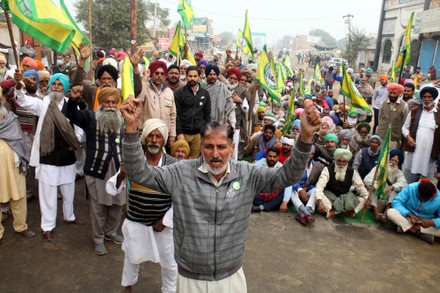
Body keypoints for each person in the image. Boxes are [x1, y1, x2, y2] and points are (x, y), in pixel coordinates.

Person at [120, 96, 320, 292]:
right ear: (201, 147)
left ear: (232, 147)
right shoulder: (181, 173)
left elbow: (289, 175)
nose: (215, 154)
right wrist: (130, 129)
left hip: (230, 277)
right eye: (209, 147)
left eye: (221, 147)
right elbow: (139, 173)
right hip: (190, 278)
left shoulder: (247, 174)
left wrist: (305, 139)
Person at [14, 73, 84, 240]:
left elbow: (80, 130)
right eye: (54, 84)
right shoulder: (43, 103)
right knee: (48, 192)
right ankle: (47, 226)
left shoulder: (72, 105)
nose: (56, 87)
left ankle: (69, 216)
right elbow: (22, 101)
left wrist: (76, 141)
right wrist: (18, 85)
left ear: (65, 89)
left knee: (69, 189)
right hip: (47, 155)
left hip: (67, 155)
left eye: (60, 85)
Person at [115, 119, 178, 293]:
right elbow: (114, 188)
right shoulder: (134, 161)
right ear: (144, 139)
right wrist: (121, 175)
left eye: (158, 136)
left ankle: (169, 291)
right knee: (131, 257)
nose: (154, 140)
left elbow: (180, 198)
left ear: (164, 141)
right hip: (136, 220)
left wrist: (164, 221)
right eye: (150, 135)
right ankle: (127, 287)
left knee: (170, 263)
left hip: (162, 225)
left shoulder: (173, 165)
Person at [67, 86, 125, 255]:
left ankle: (111, 232)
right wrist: (73, 100)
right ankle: (98, 238)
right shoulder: (90, 118)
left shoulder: (122, 119)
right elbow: (72, 115)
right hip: (97, 169)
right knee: (98, 206)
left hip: (118, 170)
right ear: (101, 102)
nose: (110, 105)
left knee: (117, 203)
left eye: (114, 102)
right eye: (107, 101)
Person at [0, 98, 36, 240]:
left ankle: (21, 226)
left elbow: (20, 139)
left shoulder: (11, 119)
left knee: (19, 196)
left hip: (15, 165)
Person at [401, 86, 440, 183]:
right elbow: (404, 128)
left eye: (429, 97)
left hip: (429, 153)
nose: (426, 99)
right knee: (408, 177)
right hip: (413, 151)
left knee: (427, 180)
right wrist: (408, 137)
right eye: (424, 97)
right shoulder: (414, 111)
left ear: (434, 98)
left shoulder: (438, 114)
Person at [315, 148, 369, 218]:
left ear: (347, 162)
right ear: (335, 160)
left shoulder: (352, 172)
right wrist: (319, 202)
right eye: (339, 161)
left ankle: (335, 212)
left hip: (345, 199)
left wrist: (367, 199)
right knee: (317, 196)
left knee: (364, 199)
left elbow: (360, 186)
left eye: (344, 162)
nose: (341, 164)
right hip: (330, 197)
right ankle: (342, 211)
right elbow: (320, 186)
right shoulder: (327, 170)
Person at [387, 178, 440, 244]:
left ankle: (406, 228)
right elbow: (396, 202)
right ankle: (415, 231)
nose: (422, 201)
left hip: (426, 224)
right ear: (418, 191)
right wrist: (409, 214)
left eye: (425, 200)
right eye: (420, 198)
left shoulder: (438, 198)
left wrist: (433, 222)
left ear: (432, 195)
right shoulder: (411, 188)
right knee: (391, 212)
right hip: (408, 217)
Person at [174, 66, 211, 159]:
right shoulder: (179, 93)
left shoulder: (204, 94)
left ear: (199, 77)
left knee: (194, 162)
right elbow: (176, 114)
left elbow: (207, 115)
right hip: (183, 133)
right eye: (190, 76)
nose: (192, 78)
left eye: (195, 76)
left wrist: (205, 133)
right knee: (180, 160)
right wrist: (179, 133)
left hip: (197, 135)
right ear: (186, 77)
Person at [138, 61, 177, 146]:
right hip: (147, 133)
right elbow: (139, 101)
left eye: (162, 74)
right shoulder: (145, 88)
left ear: (165, 76)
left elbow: (173, 115)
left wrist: (172, 137)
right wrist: (144, 79)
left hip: (164, 135)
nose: (159, 76)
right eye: (156, 73)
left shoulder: (169, 92)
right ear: (151, 73)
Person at [364, 149, 407, 223]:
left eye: (396, 161)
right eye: (392, 160)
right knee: (374, 188)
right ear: (388, 159)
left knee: (395, 191)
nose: (393, 163)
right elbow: (367, 179)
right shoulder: (379, 167)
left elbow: (404, 184)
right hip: (377, 197)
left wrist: (391, 187)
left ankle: (385, 214)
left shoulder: (399, 172)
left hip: (387, 199)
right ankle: (376, 213)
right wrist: (380, 188)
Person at [252, 148, 292, 213]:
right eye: (270, 156)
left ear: (278, 157)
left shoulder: (281, 167)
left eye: (274, 157)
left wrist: (284, 202)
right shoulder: (259, 164)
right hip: (260, 193)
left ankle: (261, 207)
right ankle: (267, 206)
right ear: (266, 156)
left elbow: (288, 185)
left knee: (284, 196)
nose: (272, 159)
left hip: (273, 195)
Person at [376, 83, 409, 149]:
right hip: (382, 135)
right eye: (390, 93)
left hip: (394, 137)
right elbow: (380, 118)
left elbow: (405, 121)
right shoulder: (383, 103)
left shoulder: (404, 105)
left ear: (399, 94)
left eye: (394, 93)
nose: (392, 95)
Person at [290, 145, 316, 225]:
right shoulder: (295, 163)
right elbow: (290, 180)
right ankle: (306, 213)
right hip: (295, 188)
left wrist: (306, 188)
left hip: (306, 190)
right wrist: (300, 189)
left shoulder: (314, 164)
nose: (308, 156)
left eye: (310, 154)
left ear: (313, 154)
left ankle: (304, 213)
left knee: (316, 190)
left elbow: (312, 182)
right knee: (289, 189)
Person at [204, 64, 235, 129]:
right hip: (204, 124)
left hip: (220, 124)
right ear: (206, 75)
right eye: (210, 74)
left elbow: (230, 108)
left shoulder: (223, 88)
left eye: (214, 74)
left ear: (217, 75)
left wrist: (233, 125)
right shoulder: (202, 88)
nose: (212, 76)